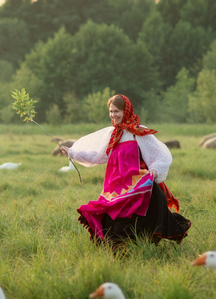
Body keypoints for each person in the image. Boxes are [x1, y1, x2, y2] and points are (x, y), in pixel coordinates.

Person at [61, 94, 191, 248]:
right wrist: (72, 153)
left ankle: (141, 253)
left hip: (139, 188)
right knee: (112, 226)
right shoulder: (113, 134)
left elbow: (162, 155)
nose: (113, 115)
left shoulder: (139, 133)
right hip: (117, 188)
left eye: (116, 111)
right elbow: (98, 156)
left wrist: (154, 172)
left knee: (136, 226)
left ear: (126, 110)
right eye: (110, 111)